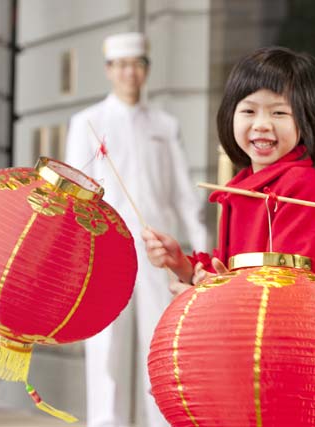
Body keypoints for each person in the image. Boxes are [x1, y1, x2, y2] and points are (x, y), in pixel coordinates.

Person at [64, 32, 207, 427]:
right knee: (106, 344)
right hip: (106, 248)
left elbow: (181, 190)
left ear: (146, 70)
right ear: (109, 70)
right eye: (122, 65)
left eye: (138, 64)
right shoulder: (87, 123)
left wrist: (202, 243)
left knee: (159, 339)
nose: (130, 72)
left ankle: (161, 420)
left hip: (157, 249)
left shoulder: (164, 123)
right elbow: (74, 194)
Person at [143, 46, 315, 288]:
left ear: (305, 119)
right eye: (249, 111)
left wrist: (216, 288)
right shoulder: (238, 187)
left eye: (279, 112)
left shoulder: (301, 185)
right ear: (231, 115)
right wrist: (181, 264)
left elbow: (286, 286)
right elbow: (226, 271)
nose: (261, 124)